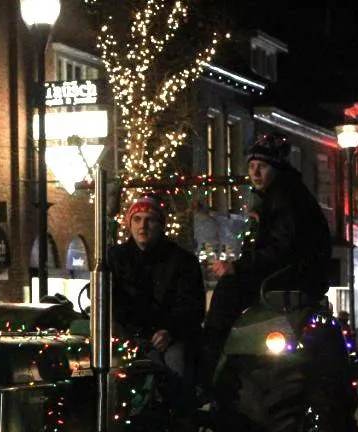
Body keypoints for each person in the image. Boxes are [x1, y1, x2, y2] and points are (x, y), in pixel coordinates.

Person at [205, 133, 333, 365]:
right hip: (295, 273)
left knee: (226, 292)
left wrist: (238, 266)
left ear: (276, 169)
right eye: (252, 166)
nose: (255, 173)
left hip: (292, 276)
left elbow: (282, 248)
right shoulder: (282, 195)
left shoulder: (283, 197)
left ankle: (213, 359)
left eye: (262, 166)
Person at [105, 193, 206, 406]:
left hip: (168, 337)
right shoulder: (115, 258)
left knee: (176, 366)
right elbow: (110, 300)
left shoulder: (182, 261)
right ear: (129, 224)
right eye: (137, 219)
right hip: (127, 335)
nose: (143, 226)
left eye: (149, 220)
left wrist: (170, 331)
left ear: (161, 225)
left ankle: (180, 420)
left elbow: (190, 306)